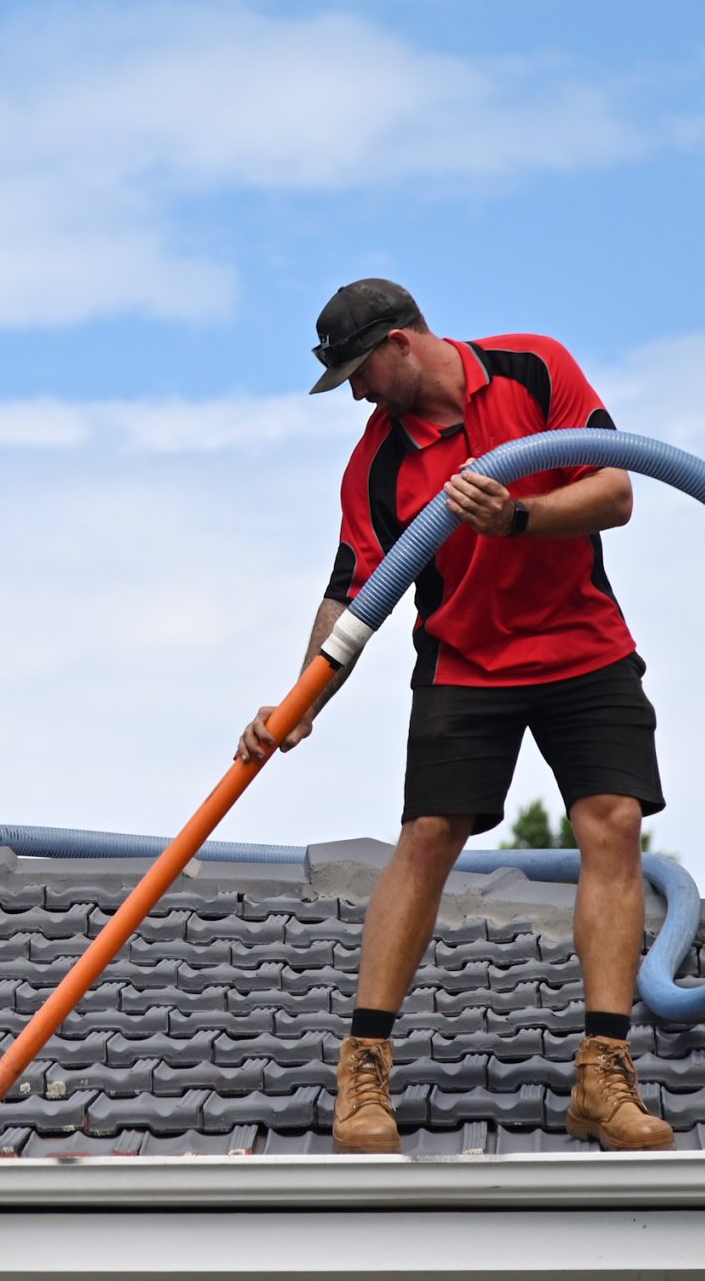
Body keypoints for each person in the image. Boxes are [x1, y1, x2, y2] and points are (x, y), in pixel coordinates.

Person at [238, 278, 675, 1153]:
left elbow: (618, 491)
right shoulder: (376, 466)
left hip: (582, 646)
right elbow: (349, 596)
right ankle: (363, 1070)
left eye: (361, 372)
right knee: (430, 834)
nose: (357, 393)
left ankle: (603, 1074)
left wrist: (517, 517)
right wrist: (295, 705)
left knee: (613, 822)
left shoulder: (533, 368)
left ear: (402, 342)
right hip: (466, 663)